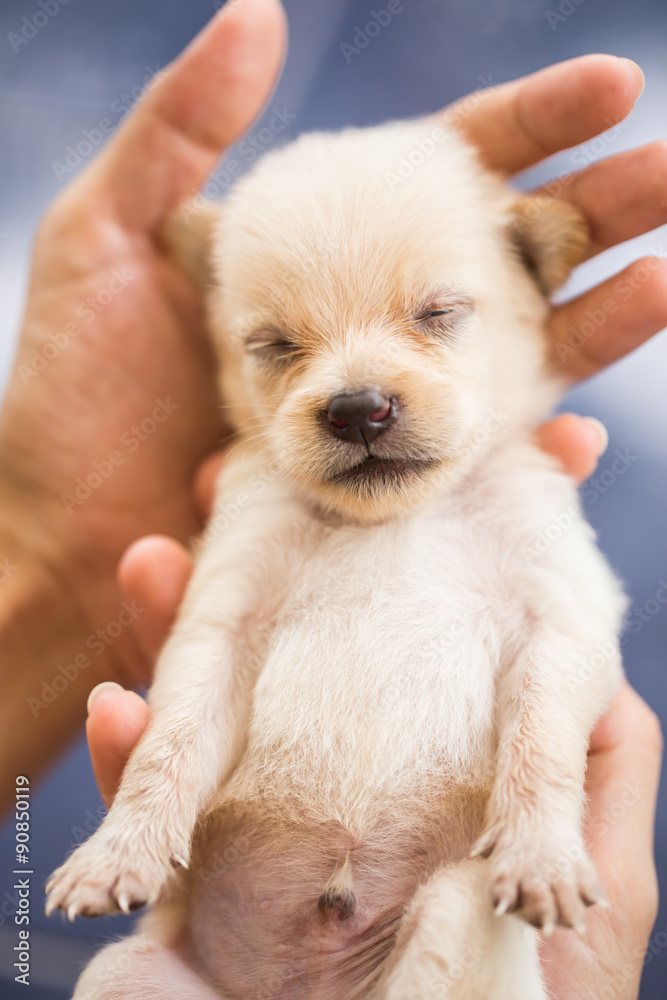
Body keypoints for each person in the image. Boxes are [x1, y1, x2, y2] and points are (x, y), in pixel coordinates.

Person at [0, 0, 662, 995]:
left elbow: (556, 649)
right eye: (280, 347)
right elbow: (216, 644)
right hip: (222, 936)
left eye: (435, 315)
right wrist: (141, 820)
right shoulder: (256, 493)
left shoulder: (521, 488)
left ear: (530, 282)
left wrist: (537, 820)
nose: (357, 399)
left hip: (436, 916)